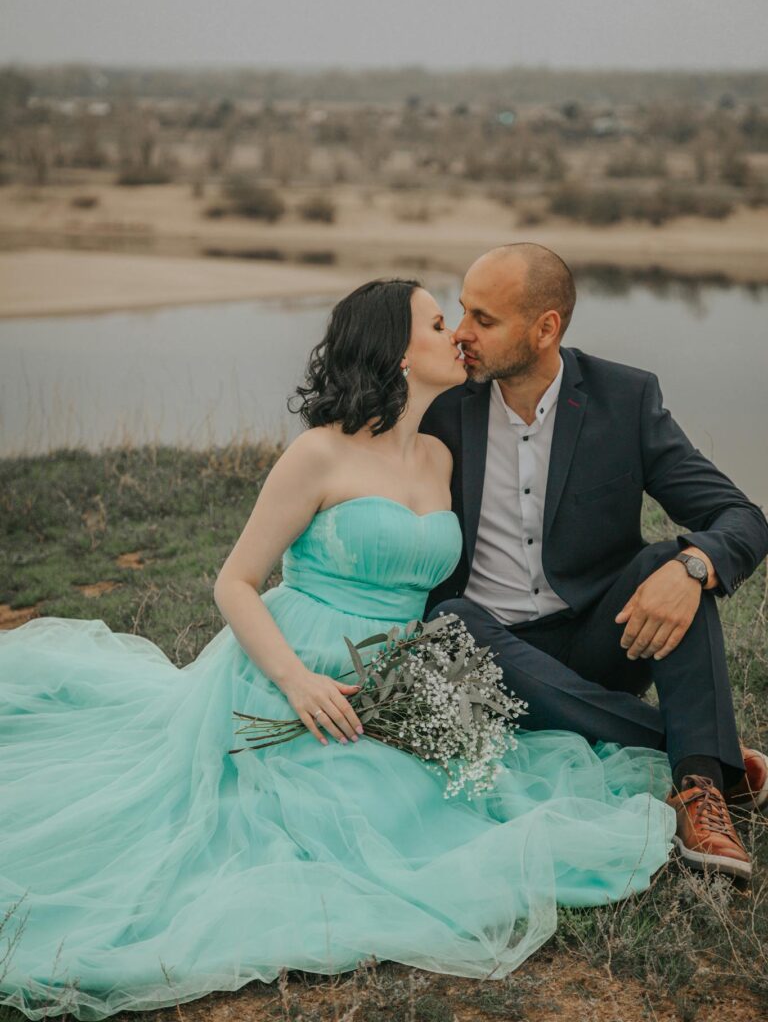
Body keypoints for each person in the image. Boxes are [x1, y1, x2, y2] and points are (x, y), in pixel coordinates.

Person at [0, 279, 676, 1021]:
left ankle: (691, 753)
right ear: (395, 348)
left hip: (398, 669)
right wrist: (295, 683)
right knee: (349, 819)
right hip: (300, 662)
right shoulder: (318, 455)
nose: (456, 334)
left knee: (467, 795)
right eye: (437, 321)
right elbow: (235, 583)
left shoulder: (440, 459)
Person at [421, 244, 768, 882]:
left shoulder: (624, 399)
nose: (462, 334)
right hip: (488, 653)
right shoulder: (441, 409)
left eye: (484, 319)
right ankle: (705, 757)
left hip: (598, 641)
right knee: (451, 619)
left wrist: (692, 569)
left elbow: (742, 518)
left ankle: (699, 800)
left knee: (674, 561)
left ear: (546, 327)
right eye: (462, 311)